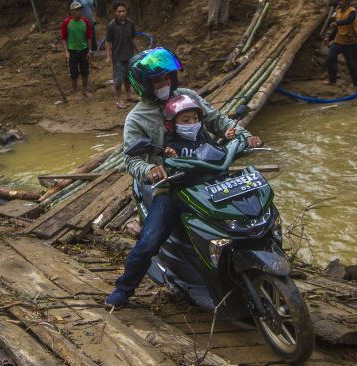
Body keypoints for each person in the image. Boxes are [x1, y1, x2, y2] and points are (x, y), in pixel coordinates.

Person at [104, 47, 263, 309]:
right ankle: (124, 289)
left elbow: (219, 121)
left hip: (212, 176)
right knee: (148, 242)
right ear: (144, 85)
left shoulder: (188, 97)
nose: (164, 84)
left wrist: (245, 136)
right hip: (173, 188)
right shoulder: (136, 119)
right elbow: (130, 160)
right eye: (157, 81)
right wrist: (150, 170)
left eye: (167, 78)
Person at [162, 95, 237, 158]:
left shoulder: (203, 136)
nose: (192, 123)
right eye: (186, 120)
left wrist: (226, 138)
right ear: (172, 124)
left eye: (195, 118)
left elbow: (217, 151)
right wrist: (173, 157)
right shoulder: (171, 144)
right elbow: (173, 166)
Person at [105, 1, 137, 109]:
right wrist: (108, 56)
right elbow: (108, 42)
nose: (122, 13)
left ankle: (129, 95)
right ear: (115, 12)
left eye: (123, 11)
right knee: (118, 80)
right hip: (118, 57)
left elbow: (133, 38)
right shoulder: (111, 26)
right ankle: (119, 99)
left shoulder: (130, 23)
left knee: (129, 77)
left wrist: (138, 51)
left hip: (130, 55)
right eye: (119, 11)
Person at [61, 1, 94, 100]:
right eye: (76, 10)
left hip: (84, 50)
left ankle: (85, 90)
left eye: (80, 9)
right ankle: (75, 92)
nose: (78, 12)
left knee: (85, 71)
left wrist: (90, 50)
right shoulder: (66, 22)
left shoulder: (85, 21)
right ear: (71, 11)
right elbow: (63, 38)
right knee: (74, 73)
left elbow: (89, 37)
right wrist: (66, 51)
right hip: (72, 51)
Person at [323, 0, 357, 87]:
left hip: (350, 43)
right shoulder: (338, 12)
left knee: (352, 65)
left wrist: (337, 23)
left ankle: (356, 84)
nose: (339, 3)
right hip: (338, 41)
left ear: (347, 3)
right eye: (339, 1)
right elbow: (337, 29)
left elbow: (349, 20)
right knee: (330, 59)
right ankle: (332, 80)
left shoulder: (352, 11)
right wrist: (329, 38)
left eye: (342, 2)